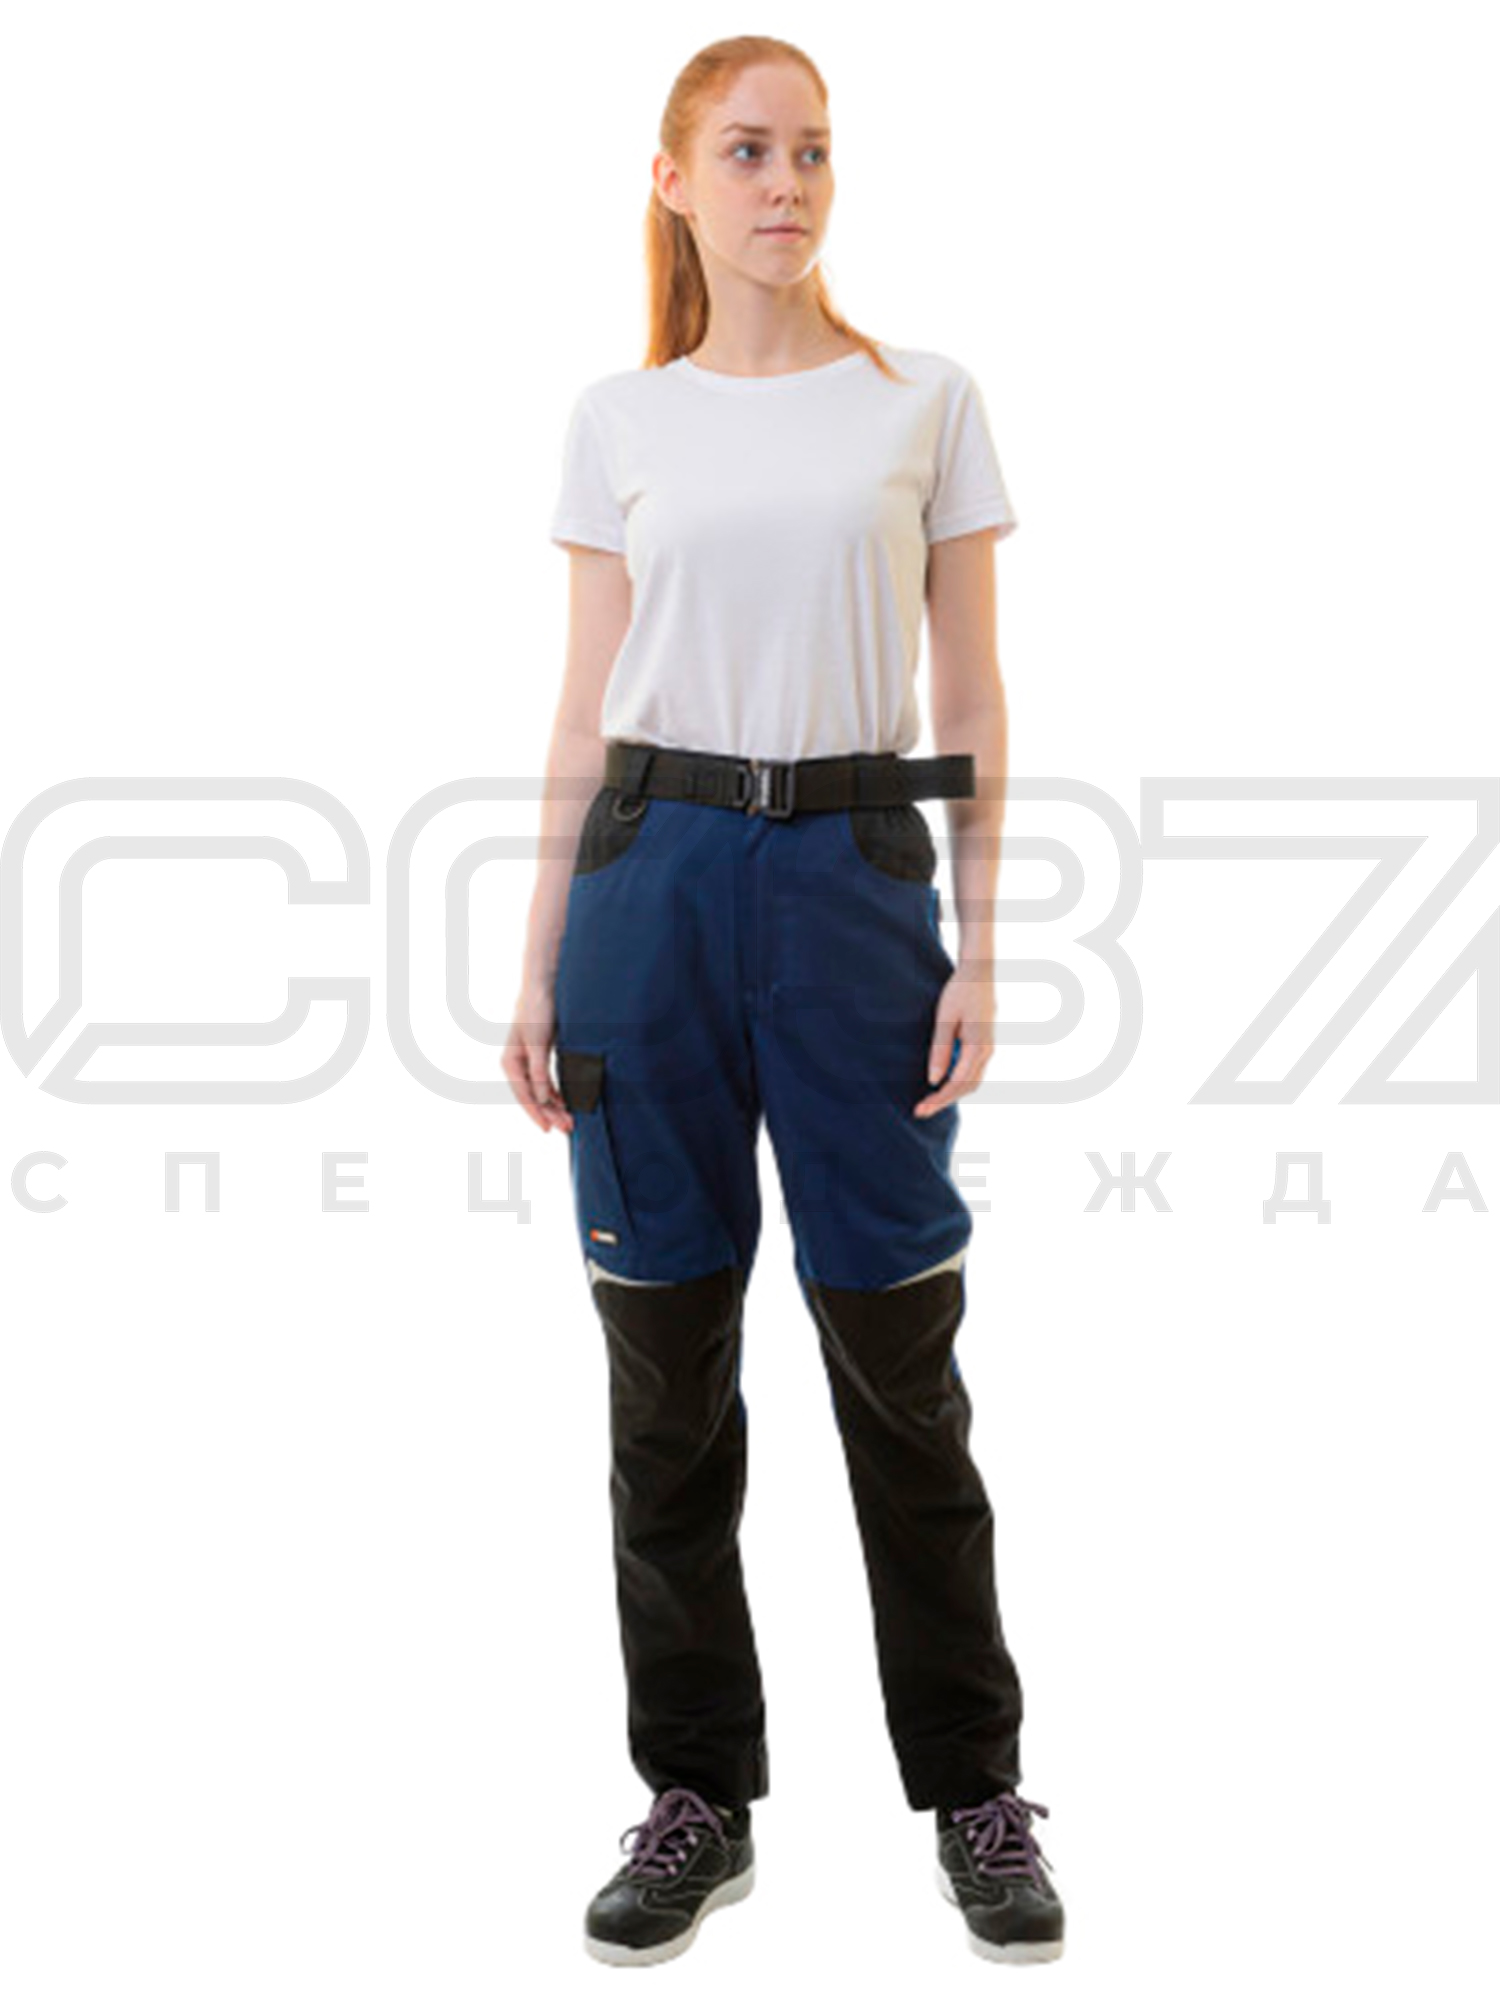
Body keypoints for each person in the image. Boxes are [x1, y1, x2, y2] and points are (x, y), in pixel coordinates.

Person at [504, 35, 1064, 1969]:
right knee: (665, 1381)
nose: (788, 186)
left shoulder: (925, 401)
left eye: (813, 152)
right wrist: (537, 958)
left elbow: (972, 698)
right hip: (648, 889)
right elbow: (582, 708)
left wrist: (982, 942)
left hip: (850, 889)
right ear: (673, 180)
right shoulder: (618, 418)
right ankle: (696, 1797)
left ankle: (976, 1788)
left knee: (901, 1367)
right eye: (747, 152)